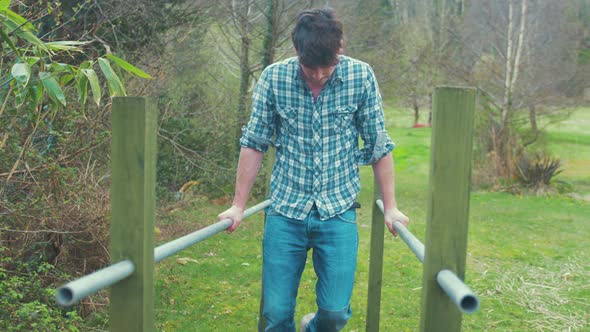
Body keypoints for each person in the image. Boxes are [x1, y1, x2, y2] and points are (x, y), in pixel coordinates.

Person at [217, 7, 409, 332]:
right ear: (296, 50)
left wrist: (391, 208)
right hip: (285, 212)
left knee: (334, 314)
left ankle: (312, 327)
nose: (319, 74)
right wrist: (238, 205)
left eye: (327, 66)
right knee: (275, 314)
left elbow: (378, 145)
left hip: (338, 211)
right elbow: (254, 143)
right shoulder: (274, 78)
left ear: (340, 48)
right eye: (310, 67)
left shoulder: (361, 77)